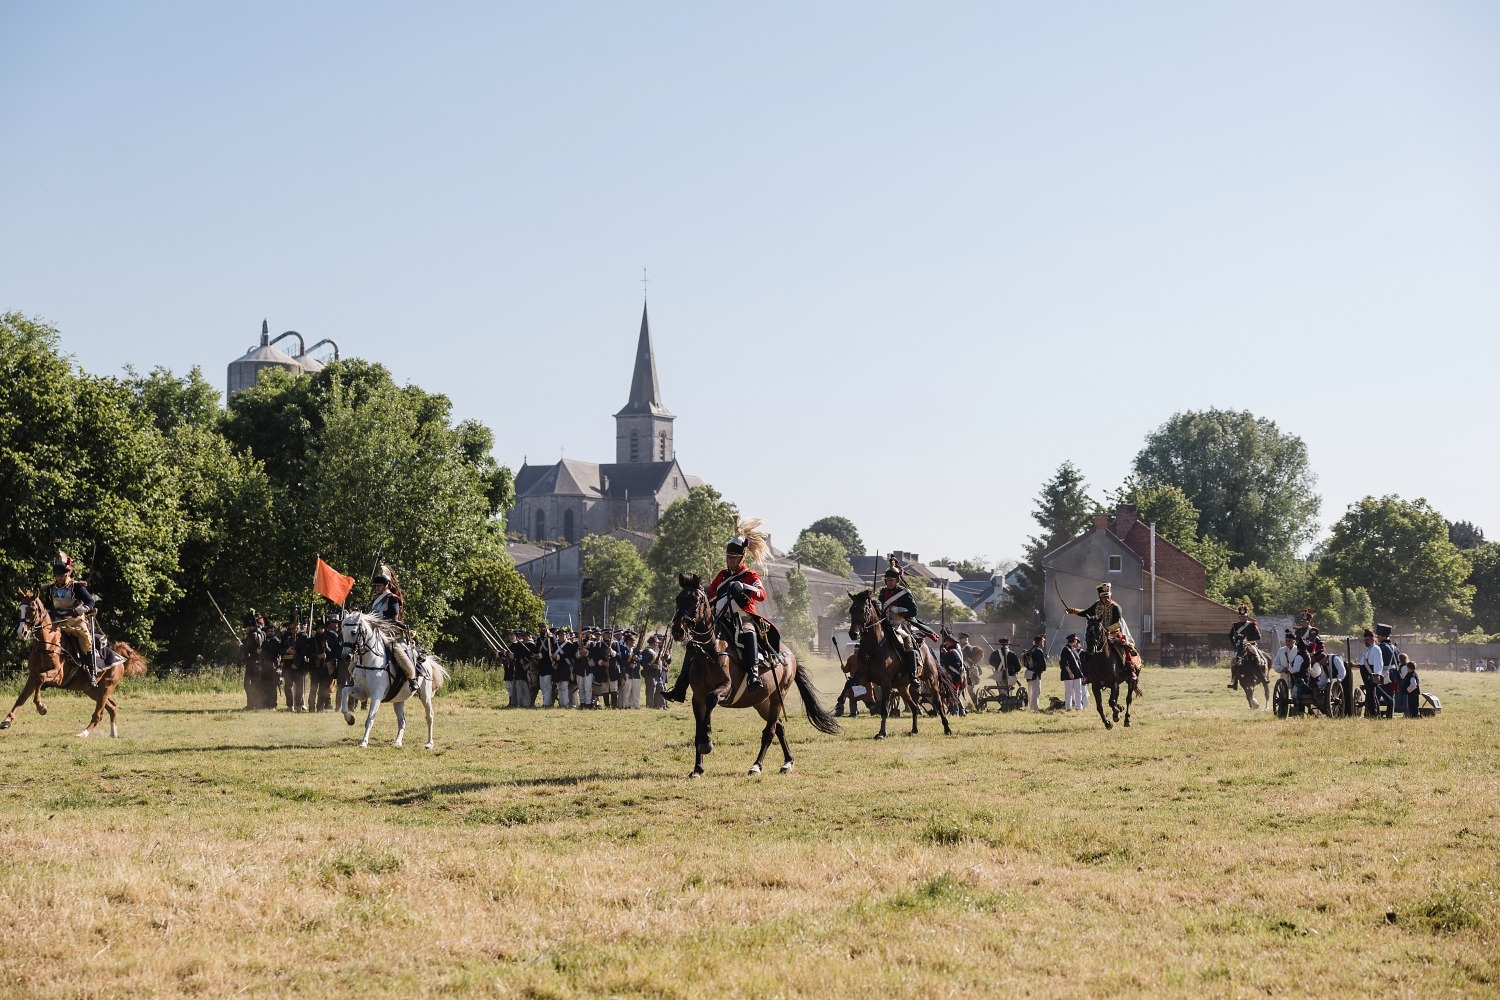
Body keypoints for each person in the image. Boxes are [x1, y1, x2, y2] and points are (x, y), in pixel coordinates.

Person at [705, 520, 771, 686]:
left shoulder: (752, 576)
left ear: (742, 558)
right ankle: (682, 682)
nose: (730, 561)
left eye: (733, 558)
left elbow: (762, 595)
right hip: (719, 617)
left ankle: (753, 675)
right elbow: (711, 593)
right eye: (728, 557)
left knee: (749, 633)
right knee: (700, 637)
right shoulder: (722, 575)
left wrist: (745, 586)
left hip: (743, 617)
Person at [45, 551, 112, 680]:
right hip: (58, 621)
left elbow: (90, 602)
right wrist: (48, 613)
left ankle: (92, 672)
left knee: (85, 640)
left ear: (68, 573)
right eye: (57, 575)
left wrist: (80, 610)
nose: (59, 578)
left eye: (62, 575)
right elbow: (47, 605)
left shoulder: (76, 587)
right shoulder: (50, 588)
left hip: (75, 621)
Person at [1064, 583, 1139, 682]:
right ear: (1100, 597)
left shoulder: (1116, 607)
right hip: (1099, 634)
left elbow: (1119, 623)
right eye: (1104, 597)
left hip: (1113, 633)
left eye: (1108, 596)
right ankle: (1088, 674)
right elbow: (1086, 612)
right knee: (1090, 649)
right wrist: (1073, 611)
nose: (1106, 598)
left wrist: (1107, 629)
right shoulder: (1097, 605)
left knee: (1124, 647)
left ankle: (1130, 670)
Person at [877, 559, 935, 683]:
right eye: (887, 580)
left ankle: (912, 674)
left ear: (897, 580)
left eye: (892, 580)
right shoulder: (882, 592)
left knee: (908, 643)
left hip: (900, 624)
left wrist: (898, 609)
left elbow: (913, 611)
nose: (889, 583)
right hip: (884, 623)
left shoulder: (904, 593)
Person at [369, 568, 421, 689]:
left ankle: (411, 677)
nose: (376, 588)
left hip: (389, 630)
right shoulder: (374, 600)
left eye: (379, 586)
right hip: (374, 630)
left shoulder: (392, 598)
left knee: (397, 650)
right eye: (375, 586)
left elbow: (394, 614)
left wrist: (375, 617)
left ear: (386, 585)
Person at [1358, 628, 1392, 718]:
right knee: (1371, 694)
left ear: (1373, 639)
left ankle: (1374, 714)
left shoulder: (1375, 649)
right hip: (1368, 675)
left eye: (1367, 640)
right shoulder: (1369, 649)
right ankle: (1374, 714)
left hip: (1371, 675)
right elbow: (1363, 663)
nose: (1366, 641)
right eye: (1365, 640)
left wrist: (1377, 675)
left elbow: (1378, 662)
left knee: (1371, 695)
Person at [1228, 605, 1261, 690]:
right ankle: (1234, 681)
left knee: (1257, 657)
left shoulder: (1252, 625)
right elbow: (1230, 636)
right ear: (1239, 617)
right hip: (1239, 646)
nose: (1242, 618)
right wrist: (1235, 644)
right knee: (1233, 661)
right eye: (1241, 616)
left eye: (1244, 616)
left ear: (1247, 616)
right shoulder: (1235, 626)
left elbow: (1258, 636)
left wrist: (1246, 638)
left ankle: (1262, 675)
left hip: (1250, 644)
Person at [938, 630, 967, 717]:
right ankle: (962, 712)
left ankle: (955, 713)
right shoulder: (955, 651)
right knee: (956, 696)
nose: (945, 643)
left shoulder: (951, 653)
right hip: (959, 676)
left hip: (955, 677)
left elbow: (944, 663)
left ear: (951, 643)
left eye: (947, 641)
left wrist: (944, 655)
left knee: (953, 696)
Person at [1059, 632, 1085, 711]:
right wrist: (1070, 673)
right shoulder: (1065, 649)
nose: (1076, 642)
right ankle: (1068, 707)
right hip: (1068, 674)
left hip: (1077, 674)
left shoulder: (1072, 650)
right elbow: (1064, 663)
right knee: (1069, 691)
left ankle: (1078, 707)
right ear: (1073, 641)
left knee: (1078, 691)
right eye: (1075, 641)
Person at [1024, 633, 1047, 711]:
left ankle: (1031, 706)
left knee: (1030, 691)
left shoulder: (1031, 649)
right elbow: (1042, 665)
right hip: (1036, 673)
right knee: (1036, 691)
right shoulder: (1039, 651)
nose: (1043, 643)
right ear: (1040, 642)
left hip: (1029, 672)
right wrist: (1045, 659)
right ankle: (1034, 707)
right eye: (1042, 641)